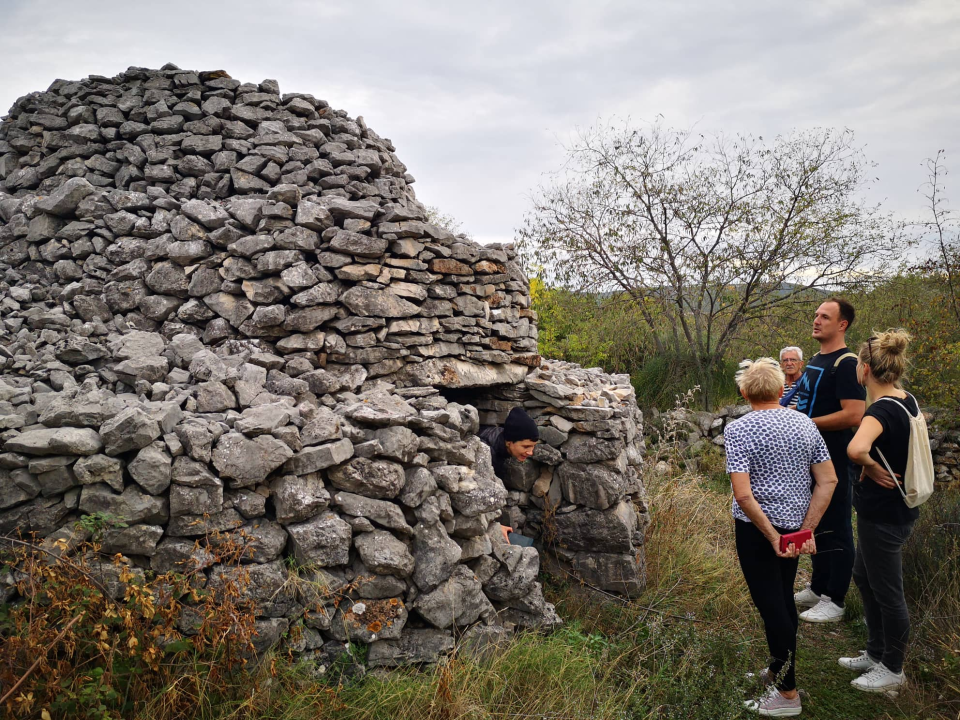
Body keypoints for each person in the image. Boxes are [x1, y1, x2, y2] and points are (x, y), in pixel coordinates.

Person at [725, 358, 838, 717]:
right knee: (783, 600)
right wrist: (806, 528)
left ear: (744, 392)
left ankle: (788, 696)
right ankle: (778, 668)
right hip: (794, 530)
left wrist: (771, 536)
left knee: (772, 605)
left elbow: (743, 495)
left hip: (757, 531)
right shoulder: (805, 424)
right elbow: (828, 480)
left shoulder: (739, 429)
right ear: (780, 390)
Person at [841, 330, 920, 696]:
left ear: (865, 369)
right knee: (864, 577)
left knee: (889, 592)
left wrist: (870, 467)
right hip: (895, 512)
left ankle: (892, 668)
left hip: (884, 516)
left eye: (859, 363)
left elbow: (856, 448)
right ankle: (876, 652)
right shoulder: (906, 400)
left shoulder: (881, 409)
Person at [791, 297, 866, 623]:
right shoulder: (816, 360)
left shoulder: (846, 363)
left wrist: (808, 423)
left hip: (833, 457)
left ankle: (835, 599)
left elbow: (854, 414)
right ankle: (818, 586)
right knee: (816, 520)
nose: (816, 320)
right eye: (816, 315)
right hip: (810, 455)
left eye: (825, 316)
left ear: (842, 324)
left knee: (837, 525)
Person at [477, 406, 539, 542]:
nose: (531, 452)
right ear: (510, 443)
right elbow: (478, 495)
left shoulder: (502, 440)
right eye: (526, 446)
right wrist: (495, 525)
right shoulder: (485, 452)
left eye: (533, 446)